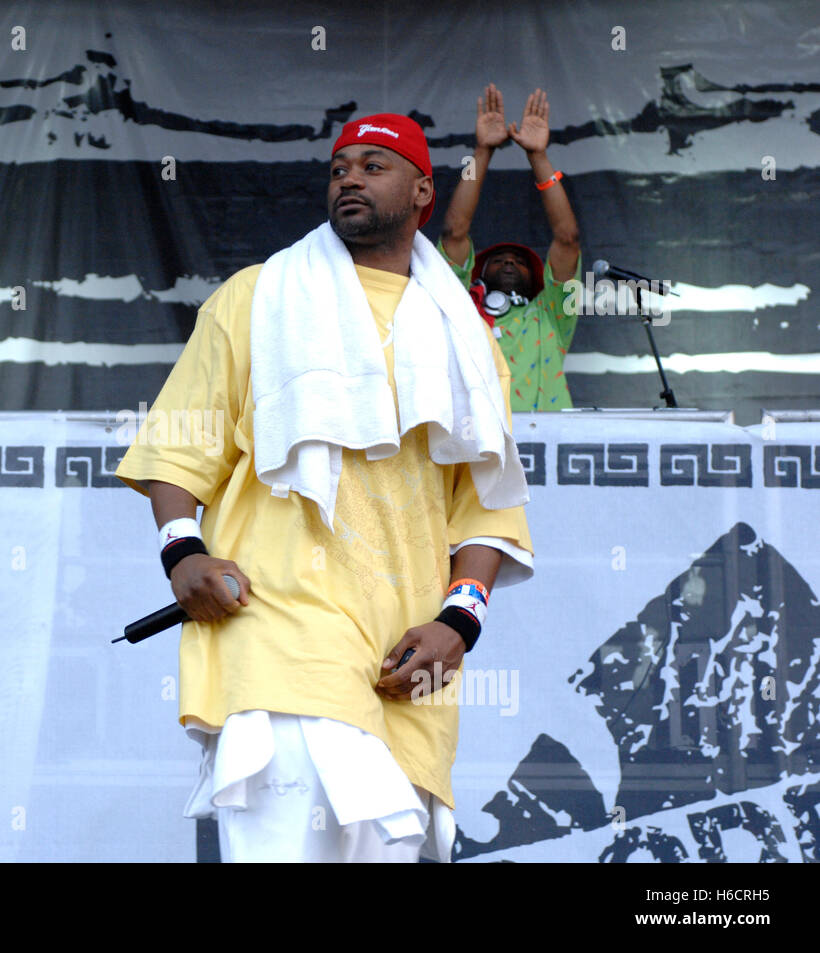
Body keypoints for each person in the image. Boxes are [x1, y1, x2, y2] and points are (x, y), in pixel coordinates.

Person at [115, 114, 535, 863]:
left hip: (403, 662)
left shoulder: (469, 342)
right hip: (279, 634)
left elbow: (487, 508)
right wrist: (182, 554)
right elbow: (179, 447)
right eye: (340, 167)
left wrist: (459, 623)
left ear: (422, 191)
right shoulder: (257, 297)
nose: (349, 178)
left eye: (375, 165)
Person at [440, 85, 582, 411]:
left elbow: (567, 239)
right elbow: (454, 231)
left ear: (535, 280)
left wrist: (539, 158)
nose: (507, 263)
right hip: (476, 448)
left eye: (518, 261)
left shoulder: (551, 316)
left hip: (546, 447)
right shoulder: (462, 311)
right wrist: (482, 152)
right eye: (498, 259)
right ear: (477, 274)